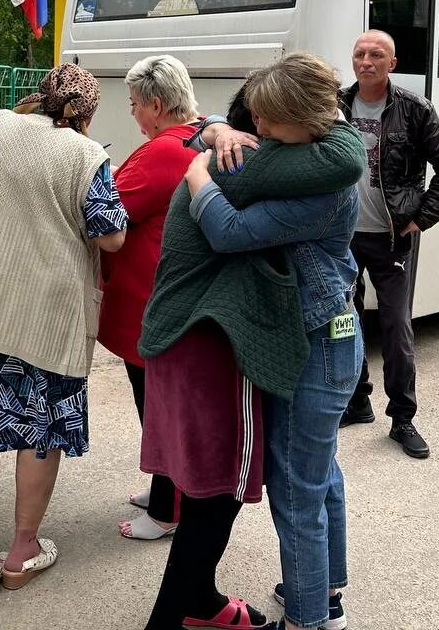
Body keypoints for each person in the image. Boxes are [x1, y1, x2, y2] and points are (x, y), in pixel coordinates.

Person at [137, 65, 364, 630]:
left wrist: (198, 174)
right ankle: (325, 597)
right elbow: (226, 134)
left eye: (268, 118)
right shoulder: (286, 154)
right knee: (311, 477)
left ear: (301, 123)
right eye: (254, 118)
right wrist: (212, 132)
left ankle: (310, 616)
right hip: (302, 337)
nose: (257, 126)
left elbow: (231, 231)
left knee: (295, 490)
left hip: (317, 342)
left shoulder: (319, 179)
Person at [0, 64, 128, 607]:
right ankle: (21, 551)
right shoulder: (86, 155)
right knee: (38, 430)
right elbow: (110, 238)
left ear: (38, 98)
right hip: (47, 315)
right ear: (85, 114)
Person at [337, 30, 439, 459]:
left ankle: (403, 419)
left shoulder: (413, 109)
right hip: (342, 237)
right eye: (360, 54)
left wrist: (421, 219)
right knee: (346, 324)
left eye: (377, 55)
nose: (366, 61)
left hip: (391, 239)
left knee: (396, 329)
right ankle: (357, 402)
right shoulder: (334, 105)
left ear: (392, 63)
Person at [98, 55, 202, 540]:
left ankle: (167, 507)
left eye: (136, 104)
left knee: (158, 408)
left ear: (157, 105)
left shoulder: (162, 150)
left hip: (151, 303)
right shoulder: (194, 136)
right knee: (156, 404)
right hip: (161, 300)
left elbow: (109, 208)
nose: (134, 113)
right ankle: (165, 488)